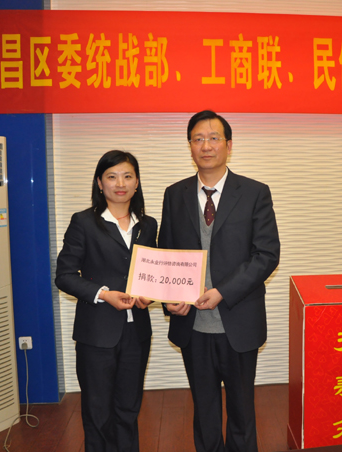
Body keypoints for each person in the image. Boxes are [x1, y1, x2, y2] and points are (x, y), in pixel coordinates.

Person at [158, 110, 280, 452]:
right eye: (198, 139)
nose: (206, 146)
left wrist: (222, 292)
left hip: (238, 320)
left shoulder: (255, 192)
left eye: (214, 138)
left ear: (228, 144)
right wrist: (169, 297)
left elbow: (267, 254)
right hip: (192, 324)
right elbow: (166, 253)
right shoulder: (175, 194)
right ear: (190, 146)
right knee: (204, 410)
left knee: (242, 411)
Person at [55, 150, 157, 452]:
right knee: (97, 413)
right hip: (96, 333)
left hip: (136, 333)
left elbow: (154, 272)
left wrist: (150, 294)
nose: (120, 183)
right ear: (100, 183)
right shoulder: (84, 222)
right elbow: (64, 275)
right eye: (112, 176)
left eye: (127, 176)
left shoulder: (148, 224)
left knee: (129, 409)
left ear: (137, 182)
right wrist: (103, 294)